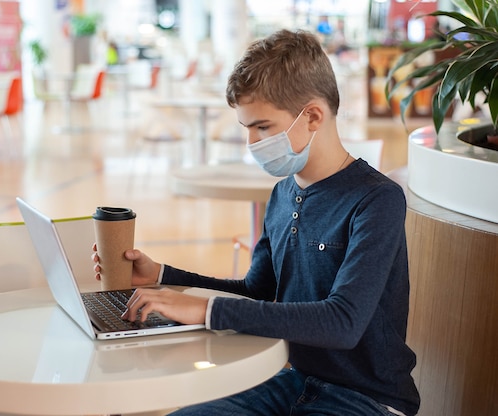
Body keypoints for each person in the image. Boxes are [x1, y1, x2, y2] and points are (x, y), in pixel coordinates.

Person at [92, 29, 420, 416]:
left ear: (312, 115)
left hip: (366, 399)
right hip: (290, 381)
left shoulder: (376, 199)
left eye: (262, 127)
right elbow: (256, 291)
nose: (251, 142)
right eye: (246, 128)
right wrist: (163, 276)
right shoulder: (282, 193)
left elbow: (342, 322)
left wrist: (204, 309)